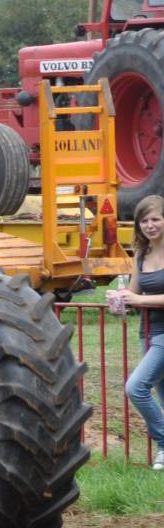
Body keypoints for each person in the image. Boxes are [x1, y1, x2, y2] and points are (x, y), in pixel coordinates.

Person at [111, 194, 164, 469]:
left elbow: (141, 298)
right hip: (148, 332)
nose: (150, 225)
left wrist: (140, 301)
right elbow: (134, 292)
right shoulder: (141, 255)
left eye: (156, 219)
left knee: (136, 387)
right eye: (144, 220)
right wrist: (120, 298)